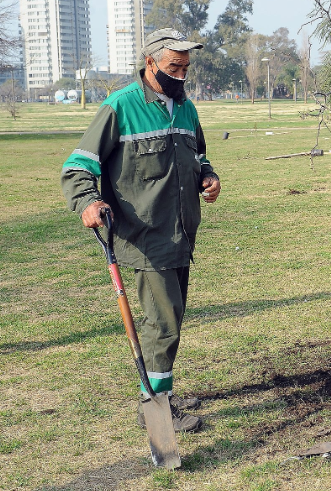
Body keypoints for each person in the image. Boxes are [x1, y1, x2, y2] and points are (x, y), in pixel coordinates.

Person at [60, 28, 220, 432]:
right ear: (150, 63)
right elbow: (78, 167)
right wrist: (88, 202)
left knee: (170, 318)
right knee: (163, 323)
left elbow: (198, 153)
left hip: (182, 234)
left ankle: (159, 389)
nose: (181, 75)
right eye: (173, 67)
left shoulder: (186, 108)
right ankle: (158, 406)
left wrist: (208, 175)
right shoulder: (120, 107)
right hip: (146, 236)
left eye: (185, 68)